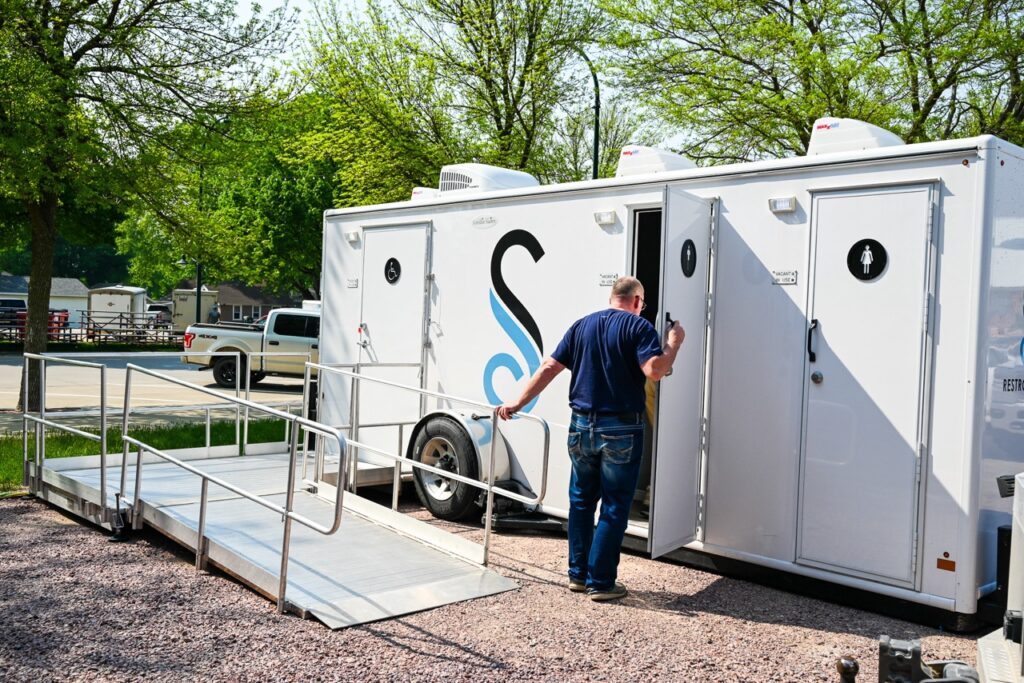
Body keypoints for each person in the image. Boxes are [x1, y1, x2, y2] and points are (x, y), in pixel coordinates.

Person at [497, 276, 684, 601]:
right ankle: (601, 582)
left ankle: (578, 576)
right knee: (614, 506)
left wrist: (517, 402)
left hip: (581, 425)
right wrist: (674, 344)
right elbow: (654, 370)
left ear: (613, 297)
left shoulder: (581, 326)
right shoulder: (638, 328)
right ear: (637, 301)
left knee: (581, 502)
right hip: (621, 429)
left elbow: (549, 368)